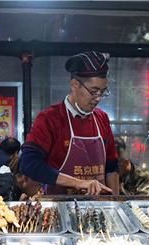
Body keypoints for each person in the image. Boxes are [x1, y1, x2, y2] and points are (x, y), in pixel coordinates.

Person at [19, 51, 119, 195]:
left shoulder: (102, 118)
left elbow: (111, 166)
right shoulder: (50, 118)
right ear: (75, 84)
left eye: (102, 92)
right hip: (60, 205)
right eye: (93, 91)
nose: (98, 98)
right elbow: (29, 164)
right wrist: (77, 183)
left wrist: (114, 202)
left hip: (98, 206)